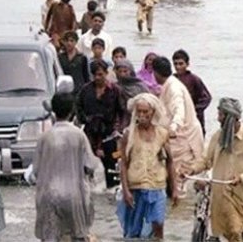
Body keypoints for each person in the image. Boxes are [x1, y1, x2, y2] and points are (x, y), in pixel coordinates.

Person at [180, 98, 243, 242]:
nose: (218, 119)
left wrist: (242, 177)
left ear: (230, 117)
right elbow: (206, 160)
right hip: (226, 196)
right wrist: (191, 170)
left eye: (221, 115)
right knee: (233, 231)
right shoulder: (218, 137)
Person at [32, 93, 98, 242]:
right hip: (73, 195)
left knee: (49, 237)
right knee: (77, 235)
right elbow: (90, 165)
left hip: (48, 195)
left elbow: (35, 171)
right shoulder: (79, 135)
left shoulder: (44, 137)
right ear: (72, 110)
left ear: (54, 110)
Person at [116, 93, 178, 239]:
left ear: (153, 112)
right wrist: (125, 190)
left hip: (157, 186)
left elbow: (170, 161)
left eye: (146, 112)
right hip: (136, 187)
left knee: (158, 224)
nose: (142, 115)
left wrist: (174, 188)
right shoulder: (128, 134)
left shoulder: (162, 134)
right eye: (139, 111)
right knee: (134, 230)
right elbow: (123, 164)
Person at [152, 56, 204, 195]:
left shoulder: (174, 88)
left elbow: (178, 110)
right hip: (176, 139)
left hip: (184, 137)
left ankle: (180, 213)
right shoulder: (168, 85)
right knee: (172, 176)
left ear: (156, 73)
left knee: (180, 176)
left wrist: (173, 127)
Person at [77, 59, 124, 189]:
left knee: (113, 167)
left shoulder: (115, 90)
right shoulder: (85, 90)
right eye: (95, 75)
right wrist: (85, 120)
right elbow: (78, 108)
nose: (98, 78)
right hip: (90, 134)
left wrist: (118, 130)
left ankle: (112, 193)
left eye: (100, 74)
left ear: (106, 73)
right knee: (86, 167)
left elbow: (122, 112)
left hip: (110, 135)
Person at [172, 49, 212, 136]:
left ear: (187, 64)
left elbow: (206, 98)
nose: (178, 67)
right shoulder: (171, 80)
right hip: (177, 119)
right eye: (175, 64)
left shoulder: (194, 79)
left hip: (194, 119)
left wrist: (194, 109)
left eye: (181, 63)